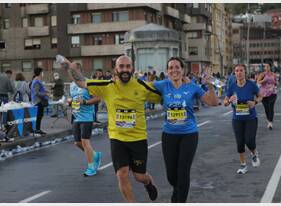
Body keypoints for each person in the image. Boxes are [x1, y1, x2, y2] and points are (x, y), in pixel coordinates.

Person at [60, 55, 160, 202]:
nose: (125, 70)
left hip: (138, 139)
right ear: (116, 69)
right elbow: (82, 82)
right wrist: (70, 67)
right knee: (122, 174)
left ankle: (148, 182)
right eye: (121, 67)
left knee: (139, 176)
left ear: (132, 68)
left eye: (127, 66)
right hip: (117, 138)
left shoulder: (142, 86)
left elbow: (165, 95)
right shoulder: (107, 86)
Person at [153, 57, 219, 203]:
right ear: (167, 71)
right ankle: (177, 191)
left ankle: (180, 200)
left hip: (189, 135)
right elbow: (142, 86)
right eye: (171, 67)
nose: (174, 70)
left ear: (183, 70)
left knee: (183, 172)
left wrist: (210, 85)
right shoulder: (162, 85)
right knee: (171, 175)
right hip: (169, 135)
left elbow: (213, 102)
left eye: (177, 67)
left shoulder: (193, 87)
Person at [224, 64, 262, 174]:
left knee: (249, 140)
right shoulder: (232, 86)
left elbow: (260, 96)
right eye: (237, 71)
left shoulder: (251, 85)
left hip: (251, 118)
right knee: (240, 143)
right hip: (237, 119)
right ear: (234, 73)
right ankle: (243, 165)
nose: (239, 72)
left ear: (245, 72)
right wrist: (229, 100)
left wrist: (254, 102)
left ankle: (254, 154)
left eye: (241, 70)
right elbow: (225, 102)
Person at [68, 65, 102, 176]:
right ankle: (95, 155)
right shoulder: (72, 85)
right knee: (77, 143)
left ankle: (91, 167)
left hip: (87, 117)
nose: (73, 74)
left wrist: (85, 102)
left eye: (75, 71)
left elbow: (98, 98)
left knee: (85, 141)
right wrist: (70, 101)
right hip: (76, 115)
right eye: (71, 72)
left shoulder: (88, 82)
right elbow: (73, 99)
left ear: (80, 71)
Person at [257, 63, 278, 130]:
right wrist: (264, 80)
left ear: (270, 67)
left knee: (271, 107)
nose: (267, 67)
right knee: (266, 108)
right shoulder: (262, 74)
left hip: (273, 93)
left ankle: (270, 123)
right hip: (264, 94)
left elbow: (277, 83)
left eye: (268, 66)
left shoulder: (273, 74)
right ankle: (268, 120)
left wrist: (275, 81)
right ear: (264, 68)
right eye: (266, 66)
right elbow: (258, 82)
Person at [31, 67, 49, 135]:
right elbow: (36, 92)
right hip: (38, 101)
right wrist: (45, 94)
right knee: (39, 115)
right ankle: (37, 129)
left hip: (38, 101)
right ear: (40, 73)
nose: (43, 73)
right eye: (42, 72)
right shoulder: (36, 81)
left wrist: (45, 91)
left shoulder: (37, 80)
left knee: (39, 115)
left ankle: (37, 129)